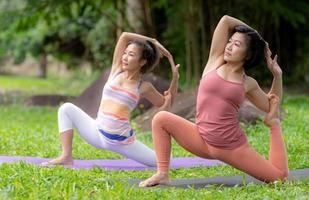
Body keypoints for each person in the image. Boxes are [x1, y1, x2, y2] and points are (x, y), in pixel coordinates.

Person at [139, 15, 288, 187]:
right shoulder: (215, 61)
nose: (230, 47)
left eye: (237, 44)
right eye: (230, 41)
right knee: (161, 119)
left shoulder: (247, 83)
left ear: (247, 55)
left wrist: (277, 75)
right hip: (201, 138)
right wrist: (257, 35)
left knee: (279, 178)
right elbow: (225, 20)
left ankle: (274, 126)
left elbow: (272, 104)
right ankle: (162, 173)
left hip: (232, 147)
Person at [42, 32, 180, 167]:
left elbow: (166, 104)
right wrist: (153, 41)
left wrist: (175, 79)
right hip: (97, 132)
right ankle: (66, 156)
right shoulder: (116, 70)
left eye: (131, 55)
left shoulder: (144, 87)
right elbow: (125, 36)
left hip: (122, 142)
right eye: (125, 53)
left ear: (142, 62)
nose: (125, 57)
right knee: (65, 109)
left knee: (164, 162)